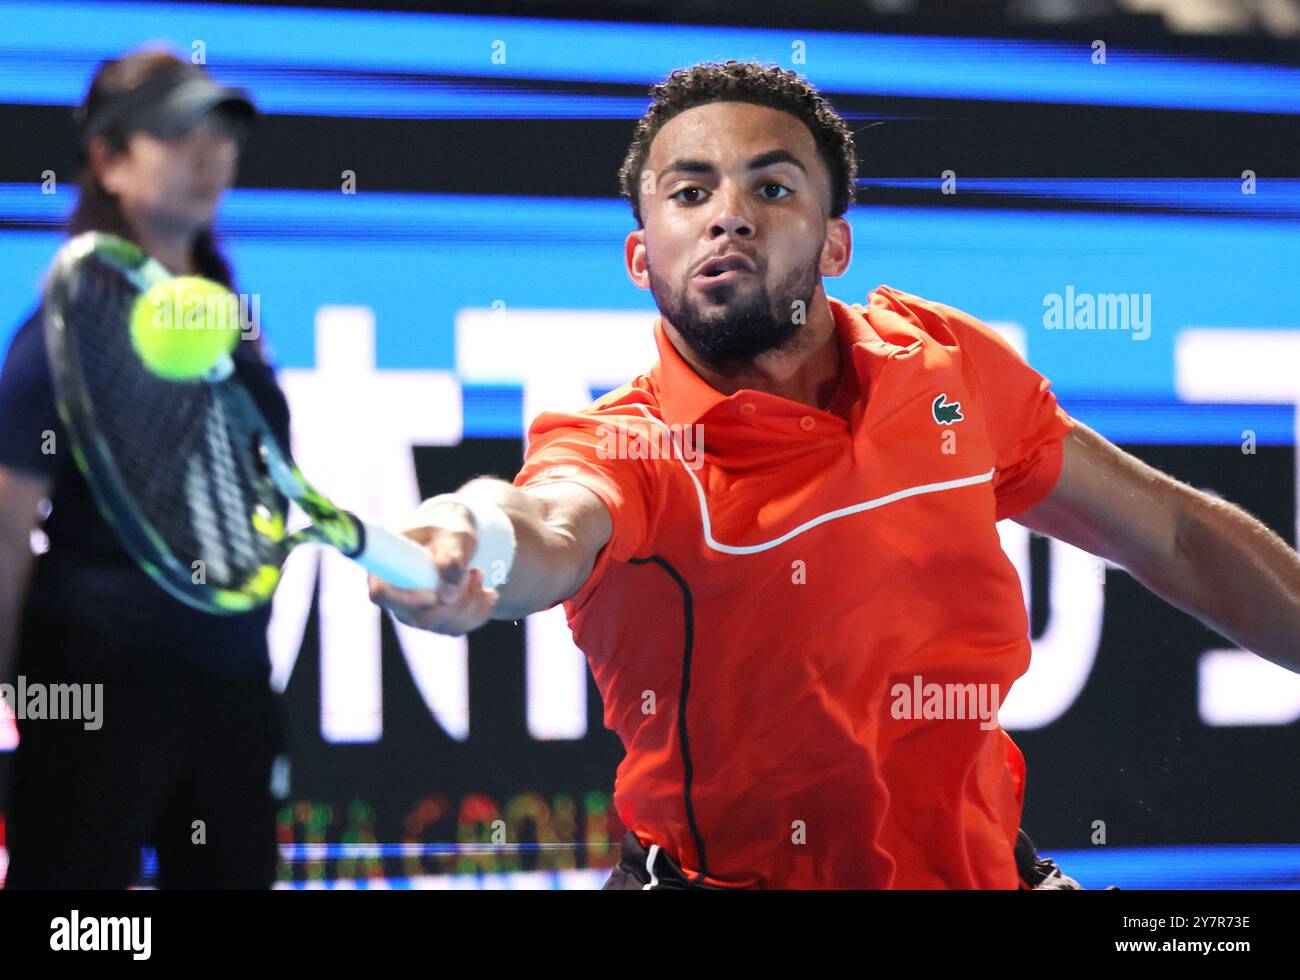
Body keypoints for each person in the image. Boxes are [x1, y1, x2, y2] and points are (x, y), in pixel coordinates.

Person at [368, 61, 1300, 889]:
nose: (727, 213)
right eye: (688, 195)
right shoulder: (629, 446)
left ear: (836, 244)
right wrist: (473, 534)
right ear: (640, 256)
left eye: (771, 187)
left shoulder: (946, 365)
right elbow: (549, 522)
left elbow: (1173, 535)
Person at [0, 49, 291, 889]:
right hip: (97, 679)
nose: (209, 155)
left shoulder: (236, 325)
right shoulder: (62, 329)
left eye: (220, 132)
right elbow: (7, 528)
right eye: (175, 131)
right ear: (109, 160)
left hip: (234, 679)